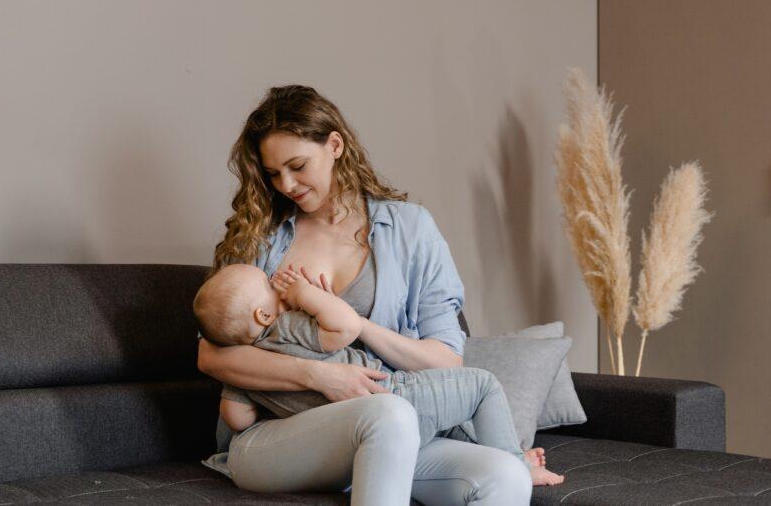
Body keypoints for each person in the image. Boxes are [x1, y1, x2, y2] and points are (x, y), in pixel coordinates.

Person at [196, 85, 536, 505]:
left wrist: (360, 327)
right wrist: (320, 376)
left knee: (506, 475)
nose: (286, 184)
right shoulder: (260, 239)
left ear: (335, 144)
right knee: (388, 413)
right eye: (273, 173)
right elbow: (211, 356)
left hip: (391, 430)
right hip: (278, 437)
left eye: (298, 165)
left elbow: (447, 360)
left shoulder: (412, 230)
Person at [193, 262, 564, 486]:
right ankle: (515, 462)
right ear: (263, 316)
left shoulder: (244, 369)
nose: (278, 284)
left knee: (453, 421)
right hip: (393, 392)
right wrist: (306, 294)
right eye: (269, 284)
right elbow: (344, 326)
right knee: (482, 385)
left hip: (339, 431)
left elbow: (237, 418)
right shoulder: (287, 326)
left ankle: (496, 453)